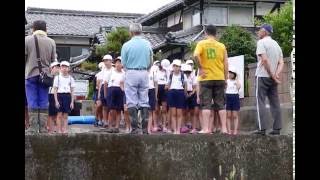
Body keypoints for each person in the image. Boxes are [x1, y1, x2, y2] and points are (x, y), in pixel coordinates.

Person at [194, 24, 229, 134]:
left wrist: (201, 68)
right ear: (216, 33)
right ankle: (224, 128)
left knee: (206, 104)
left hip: (206, 78)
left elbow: (195, 55)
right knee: (221, 104)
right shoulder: (221, 46)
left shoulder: (202, 43)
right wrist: (226, 77)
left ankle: (206, 129)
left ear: (205, 33)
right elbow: (226, 62)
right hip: (219, 77)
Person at [25, 20, 56, 133]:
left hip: (31, 75)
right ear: (45, 29)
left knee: (32, 100)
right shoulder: (51, 42)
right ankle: (43, 128)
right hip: (45, 77)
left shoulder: (27, 40)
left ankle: (33, 128)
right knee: (43, 101)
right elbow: (54, 60)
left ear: (33, 29)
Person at [121, 23, 153, 134]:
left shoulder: (126, 45)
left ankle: (134, 127)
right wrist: (146, 69)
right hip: (144, 72)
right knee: (144, 99)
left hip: (131, 72)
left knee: (131, 100)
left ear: (131, 32)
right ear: (141, 31)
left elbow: (123, 63)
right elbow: (150, 61)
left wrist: (129, 69)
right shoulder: (147, 44)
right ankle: (144, 128)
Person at [254, 24, 284, 135]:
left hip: (262, 76)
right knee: (275, 102)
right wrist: (276, 75)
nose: (258, 32)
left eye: (259, 30)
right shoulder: (276, 44)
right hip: (273, 79)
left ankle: (262, 129)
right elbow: (281, 62)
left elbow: (265, 60)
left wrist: (272, 74)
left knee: (260, 101)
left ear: (264, 31)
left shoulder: (261, 43)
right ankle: (277, 128)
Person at [166, 59, 187, 134]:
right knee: (173, 113)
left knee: (179, 113)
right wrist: (167, 88)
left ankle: (178, 129)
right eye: (174, 66)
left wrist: (185, 95)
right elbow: (167, 85)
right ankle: (175, 130)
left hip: (180, 93)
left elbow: (185, 86)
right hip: (172, 92)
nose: (175, 68)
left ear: (180, 67)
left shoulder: (183, 75)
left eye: (177, 66)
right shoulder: (170, 75)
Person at [53, 61, 75, 133]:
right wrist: (56, 101)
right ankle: (59, 129)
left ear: (68, 68)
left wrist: (72, 102)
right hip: (59, 95)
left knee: (65, 115)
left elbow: (72, 91)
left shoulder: (71, 78)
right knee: (59, 114)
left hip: (67, 96)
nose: (64, 68)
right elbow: (55, 90)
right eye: (62, 67)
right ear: (60, 68)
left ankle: (65, 129)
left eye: (66, 67)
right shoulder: (57, 78)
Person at [105, 58, 125, 133]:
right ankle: (110, 126)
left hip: (120, 91)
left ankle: (117, 126)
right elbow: (106, 83)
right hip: (111, 90)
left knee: (119, 110)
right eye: (117, 62)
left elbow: (125, 84)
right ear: (115, 64)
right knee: (111, 110)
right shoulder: (111, 72)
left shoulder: (124, 73)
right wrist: (105, 94)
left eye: (120, 62)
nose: (118, 64)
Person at [99, 54, 114, 128]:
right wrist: (99, 93)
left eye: (107, 60)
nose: (106, 62)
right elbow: (101, 80)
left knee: (111, 106)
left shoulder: (114, 70)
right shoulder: (103, 69)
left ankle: (110, 121)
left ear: (111, 61)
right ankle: (105, 121)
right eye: (105, 61)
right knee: (104, 106)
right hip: (103, 87)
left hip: (111, 87)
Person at [226, 67, 241, 135]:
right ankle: (229, 130)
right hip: (227, 97)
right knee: (228, 115)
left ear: (234, 74)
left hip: (235, 97)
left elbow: (238, 87)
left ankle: (235, 131)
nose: (230, 74)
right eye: (229, 73)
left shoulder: (236, 81)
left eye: (232, 73)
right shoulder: (226, 81)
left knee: (235, 115)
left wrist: (237, 78)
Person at [156, 59, 170, 133]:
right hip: (157, 88)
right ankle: (158, 124)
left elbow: (169, 80)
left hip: (165, 89)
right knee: (157, 108)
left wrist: (167, 84)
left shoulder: (168, 71)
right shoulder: (155, 70)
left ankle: (165, 126)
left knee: (164, 109)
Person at [48, 61, 60, 133]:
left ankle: (56, 128)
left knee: (57, 113)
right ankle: (50, 128)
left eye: (58, 67)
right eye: (56, 67)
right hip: (50, 95)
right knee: (50, 114)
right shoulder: (48, 77)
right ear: (51, 68)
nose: (58, 69)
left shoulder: (60, 77)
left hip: (58, 95)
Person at [93, 62, 105, 127]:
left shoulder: (110, 73)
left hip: (105, 91)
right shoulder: (98, 75)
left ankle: (102, 120)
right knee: (98, 106)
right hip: (98, 92)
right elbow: (97, 86)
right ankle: (96, 119)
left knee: (104, 107)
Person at [148, 65, 158, 134]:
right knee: (145, 109)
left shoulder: (153, 71)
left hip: (151, 90)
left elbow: (156, 84)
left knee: (152, 110)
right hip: (144, 90)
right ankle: (147, 126)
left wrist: (156, 95)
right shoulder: (142, 70)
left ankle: (152, 126)